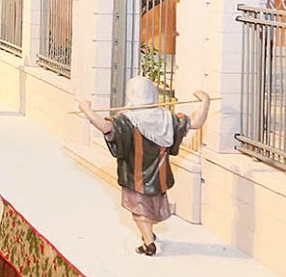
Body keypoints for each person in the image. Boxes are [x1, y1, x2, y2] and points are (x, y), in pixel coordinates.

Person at [78, 79, 211, 256]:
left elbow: (104, 126)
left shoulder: (126, 120)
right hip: (159, 177)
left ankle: (149, 243)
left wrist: (87, 110)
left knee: (139, 212)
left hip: (136, 178)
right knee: (149, 209)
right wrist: (205, 102)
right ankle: (148, 235)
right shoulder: (167, 119)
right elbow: (195, 122)